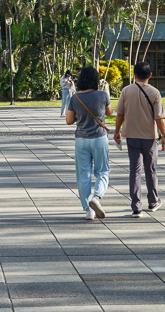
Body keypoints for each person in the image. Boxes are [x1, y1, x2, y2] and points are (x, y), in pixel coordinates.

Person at [114, 61, 165, 218]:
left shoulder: (126, 91)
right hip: (149, 137)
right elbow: (159, 118)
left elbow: (120, 114)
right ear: (150, 75)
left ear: (134, 75)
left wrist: (117, 131)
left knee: (135, 171)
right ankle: (153, 201)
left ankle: (136, 206)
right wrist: (164, 136)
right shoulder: (155, 92)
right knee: (151, 170)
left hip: (131, 136)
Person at [65, 66, 112, 220]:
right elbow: (110, 112)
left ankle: (88, 210)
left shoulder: (75, 98)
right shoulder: (102, 95)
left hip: (81, 140)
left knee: (83, 175)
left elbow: (69, 121)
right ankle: (96, 198)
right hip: (99, 138)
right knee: (102, 172)